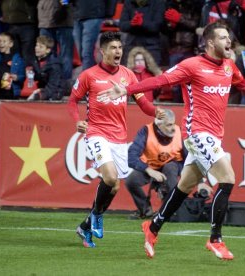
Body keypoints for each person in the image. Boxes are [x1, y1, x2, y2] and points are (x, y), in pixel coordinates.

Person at [98, 21, 245, 260]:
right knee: (228, 178)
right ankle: (216, 239)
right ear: (211, 42)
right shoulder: (192, 65)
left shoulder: (229, 65)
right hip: (197, 133)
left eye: (228, 37)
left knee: (184, 187)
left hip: (214, 135)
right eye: (223, 38)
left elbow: (239, 82)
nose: (228, 41)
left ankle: (153, 226)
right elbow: (160, 81)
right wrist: (127, 90)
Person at [67, 31, 164, 248]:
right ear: (102, 52)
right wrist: (77, 121)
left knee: (114, 186)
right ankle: (97, 217)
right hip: (96, 132)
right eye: (113, 48)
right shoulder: (88, 75)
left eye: (119, 47)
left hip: (119, 138)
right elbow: (72, 101)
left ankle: (85, 226)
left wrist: (155, 111)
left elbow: (143, 103)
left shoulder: (129, 75)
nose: (118, 51)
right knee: (110, 178)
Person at [126, 109, 186, 219]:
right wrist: (149, 170)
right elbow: (131, 157)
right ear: (158, 125)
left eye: (173, 123)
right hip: (151, 167)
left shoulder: (180, 132)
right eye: (168, 125)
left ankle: (172, 210)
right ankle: (146, 210)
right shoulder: (145, 131)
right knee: (131, 181)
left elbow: (190, 158)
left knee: (169, 167)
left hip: (173, 166)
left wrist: (201, 181)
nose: (173, 128)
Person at [72, 0, 118, 70]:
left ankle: (87, 79)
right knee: (82, 53)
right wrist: (64, 3)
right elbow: (66, 1)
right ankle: (94, 74)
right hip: (77, 16)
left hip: (94, 15)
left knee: (86, 53)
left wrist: (109, 14)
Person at [119, 0, 166, 66]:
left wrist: (143, 23)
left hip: (152, 46)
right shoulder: (128, 2)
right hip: (131, 45)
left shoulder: (158, 2)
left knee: (153, 74)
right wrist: (131, 23)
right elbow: (122, 25)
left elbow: (159, 26)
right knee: (129, 74)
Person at [37, 0, 74, 83]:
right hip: (45, 21)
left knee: (66, 56)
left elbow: (66, 1)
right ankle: (50, 83)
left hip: (64, 21)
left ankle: (65, 84)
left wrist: (64, 7)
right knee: (48, 56)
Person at [27, 35, 67, 101]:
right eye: (36, 45)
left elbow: (53, 87)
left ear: (48, 50)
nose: (37, 48)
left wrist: (40, 94)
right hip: (44, 89)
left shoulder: (55, 65)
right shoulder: (35, 61)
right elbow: (36, 79)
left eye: (41, 47)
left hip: (56, 92)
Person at [1, 0, 39, 66]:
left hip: (27, 23)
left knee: (27, 54)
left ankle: (29, 75)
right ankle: (15, 74)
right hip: (9, 23)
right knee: (13, 55)